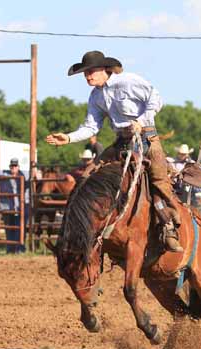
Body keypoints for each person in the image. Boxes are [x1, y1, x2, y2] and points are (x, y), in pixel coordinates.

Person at [45, 50, 183, 252]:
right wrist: (68, 137)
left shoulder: (128, 81)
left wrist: (141, 121)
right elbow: (91, 127)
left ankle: (169, 225)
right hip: (122, 141)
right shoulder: (96, 96)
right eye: (85, 73)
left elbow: (156, 98)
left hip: (146, 137)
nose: (88, 76)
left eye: (91, 71)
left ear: (104, 69)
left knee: (158, 178)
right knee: (87, 176)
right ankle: (86, 231)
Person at [0, 158, 29, 254]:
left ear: (18, 167)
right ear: (9, 167)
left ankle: (19, 248)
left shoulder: (25, 174)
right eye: (12, 166)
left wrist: (36, 173)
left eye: (15, 166)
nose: (13, 168)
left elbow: (36, 175)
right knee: (9, 227)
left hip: (21, 206)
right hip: (7, 207)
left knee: (21, 227)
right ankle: (10, 248)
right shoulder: (4, 174)